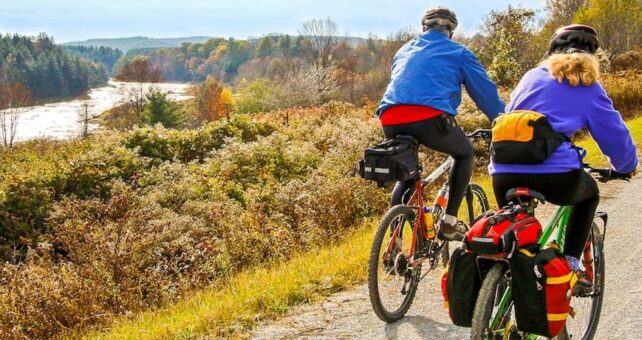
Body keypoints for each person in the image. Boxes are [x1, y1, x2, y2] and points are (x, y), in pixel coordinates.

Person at [490, 24, 638, 284]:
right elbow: (614, 135)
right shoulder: (587, 86)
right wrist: (625, 166)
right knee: (588, 194)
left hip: (503, 172)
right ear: (593, 57)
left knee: (520, 237)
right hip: (556, 176)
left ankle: (507, 282)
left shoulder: (531, 77)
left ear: (551, 51)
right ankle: (571, 264)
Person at [376, 7, 505, 241]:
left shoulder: (404, 50)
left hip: (389, 116)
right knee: (464, 153)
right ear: (451, 32)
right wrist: (503, 120)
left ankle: (395, 240)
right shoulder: (459, 52)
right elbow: (486, 94)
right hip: (429, 118)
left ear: (424, 28)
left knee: (407, 174)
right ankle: (449, 223)